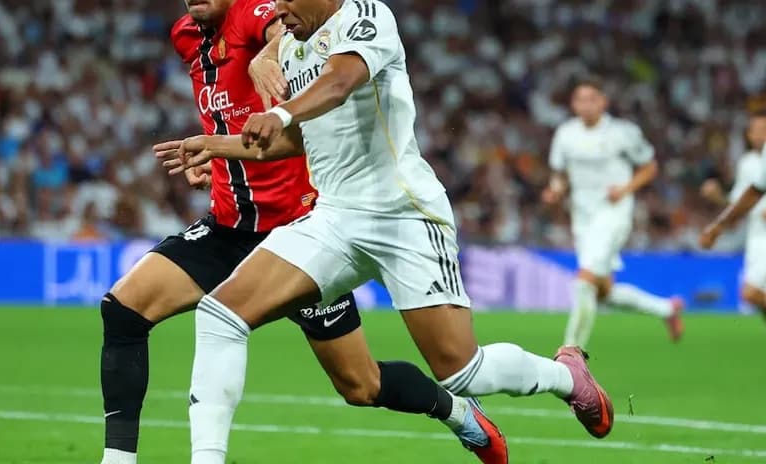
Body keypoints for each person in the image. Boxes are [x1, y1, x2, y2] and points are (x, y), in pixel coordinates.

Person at [159, 1, 614, 462]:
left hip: (404, 215)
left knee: (462, 373)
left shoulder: (367, 16)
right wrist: (216, 146)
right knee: (220, 313)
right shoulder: (293, 50)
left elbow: (338, 84)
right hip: (334, 217)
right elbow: (298, 138)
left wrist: (278, 113)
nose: (275, 9)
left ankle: (567, 376)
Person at [99, 1, 461, 463]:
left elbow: (286, 35)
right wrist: (212, 153)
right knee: (123, 310)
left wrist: (266, 55)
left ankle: (457, 412)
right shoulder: (186, 36)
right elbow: (226, 109)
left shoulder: (257, 12)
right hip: (227, 228)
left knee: (361, 385)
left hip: (298, 235)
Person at [541, 78, 684, 349]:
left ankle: (572, 355)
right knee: (602, 291)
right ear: (573, 104)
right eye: (579, 100)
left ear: (602, 102)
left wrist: (626, 188)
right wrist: (555, 190)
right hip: (582, 216)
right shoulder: (566, 134)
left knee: (584, 281)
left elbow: (649, 167)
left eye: (591, 99)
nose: (585, 105)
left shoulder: (622, 132)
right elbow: (560, 174)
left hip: (614, 213)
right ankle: (667, 309)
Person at [699, 112, 766, 320]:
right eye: (756, 131)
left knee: (751, 292)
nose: (760, 135)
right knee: (752, 295)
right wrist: (718, 203)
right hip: (757, 233)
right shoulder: (747, 163)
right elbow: (744, 199)